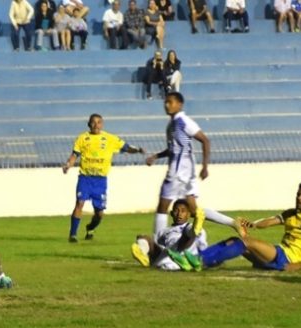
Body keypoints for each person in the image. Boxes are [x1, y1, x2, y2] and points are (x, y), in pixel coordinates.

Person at [146, 92, 244, 239]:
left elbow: (205, 140)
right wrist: (156, 156)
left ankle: (157, 246)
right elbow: (175, 149)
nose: (167, 105)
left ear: (179, 104)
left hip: (178, 173)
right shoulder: (172, 125)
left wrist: (205, 166)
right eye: (166, 102)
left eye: (170, 102)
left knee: (162, 207)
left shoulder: (184, 122)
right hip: (185, 174)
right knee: (194, 210)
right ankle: (232, 222)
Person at [62, 114, 146, 242]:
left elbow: (126, 148)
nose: (96, 125)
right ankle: (73, 235)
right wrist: (68, 165)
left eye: (99, 122)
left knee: (99, 213)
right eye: (93, 122)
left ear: (102, 124)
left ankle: (90, 227)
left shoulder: (110, 139)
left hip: (100, 180)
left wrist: (138, 150)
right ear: (89, 124)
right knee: (79, 203)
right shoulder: (82, 138)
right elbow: (74, 155)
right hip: (85, 178)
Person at [233, 182, 301, 272]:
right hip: (280, 253)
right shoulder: (291, 213)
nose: (299, 198)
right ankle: (271, 265)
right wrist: (253, 224)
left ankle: (218, 259)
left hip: (289, 258)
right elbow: (270, 222)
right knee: (239, 246)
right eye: (298, 195)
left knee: (244, 243)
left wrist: (298, 265)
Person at [130, 199, 209, 270]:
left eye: (183, 211)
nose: (179, 214)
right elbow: (156, 248)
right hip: (166, 260)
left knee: (189, 231)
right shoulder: (164, 231)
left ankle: (183, 256)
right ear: (171, 213)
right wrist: (142, 240)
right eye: (176, 211)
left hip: (187, 258)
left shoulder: (195, 229)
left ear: (188, 214)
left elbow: (203, 249)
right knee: (144, 237)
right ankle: (142, 255)